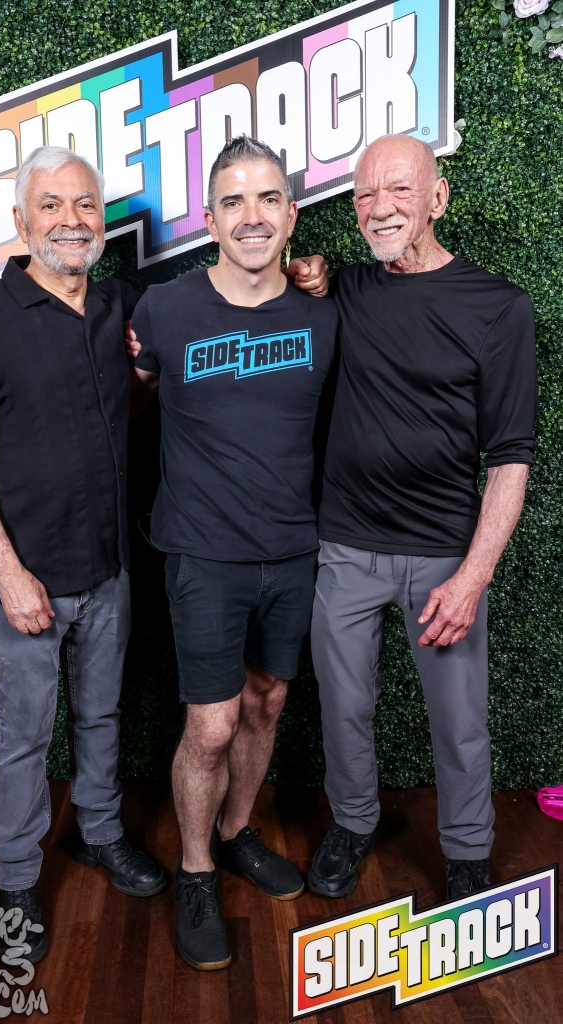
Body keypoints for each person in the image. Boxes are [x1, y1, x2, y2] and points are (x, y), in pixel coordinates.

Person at [0, 146, 169, 963]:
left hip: (110, 569)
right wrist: (9, 574)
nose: (72, 220)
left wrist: (147, 380)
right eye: (52, 205)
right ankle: (17, 879)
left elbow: (127, 403)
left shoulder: (118, 305)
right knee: (25, 735)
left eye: (86, 205)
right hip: (26, 580)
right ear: (20, 220)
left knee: (101, 717)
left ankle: (100, 833)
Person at [308, 134, 538, 902]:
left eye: (398, 190)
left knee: (459, 720)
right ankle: (352, 822)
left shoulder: (498, 307)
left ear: (436, 198)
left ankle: (467, 852)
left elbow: (509, 458)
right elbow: (278, 284)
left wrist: (472, 577)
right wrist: (307, 273)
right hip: (345, 546)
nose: (379, 208)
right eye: (365, 194)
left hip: (444, 553)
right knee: (343, 710)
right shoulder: (342, 290)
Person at [131, 136, 337, 970]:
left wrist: (317, 275)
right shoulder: (163, 311)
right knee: (211, 727)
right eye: (232, 201)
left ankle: (236, 830)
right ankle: (194, 871)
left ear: (290, 215)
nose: (251, 216)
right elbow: (131, 392)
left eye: (267, 198)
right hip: (202, 551)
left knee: (266, 702)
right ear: (210, 221)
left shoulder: (322, 311)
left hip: (291, 548)